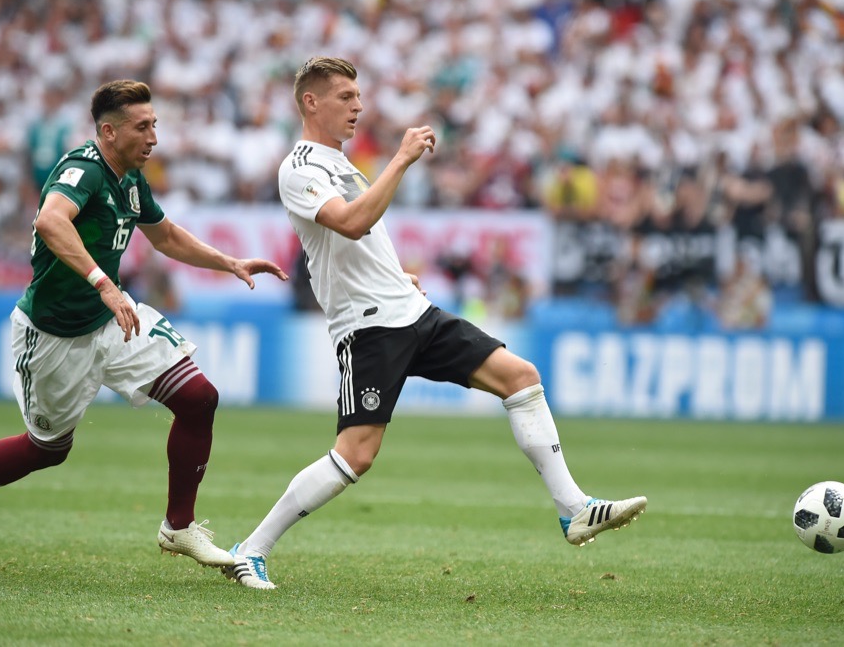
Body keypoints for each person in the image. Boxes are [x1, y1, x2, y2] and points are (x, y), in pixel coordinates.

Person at [223, 57, 646, 590]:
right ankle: (250, 549)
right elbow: (352, 224)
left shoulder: (340, 163)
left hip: (411, 311)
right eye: (345, 96)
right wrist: (400, 161)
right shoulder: (300, 167)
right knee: (357, 454)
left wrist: (397, 273)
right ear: (311, 102)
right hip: (369, 327)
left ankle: (574, 508)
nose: (358, 105)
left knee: (521, 378)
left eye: (358, 95)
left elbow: (362, 241)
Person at [0, 80, 288, 568]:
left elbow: (166, 236)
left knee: (199, 398)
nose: (154, 136)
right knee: (46, 449)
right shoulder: (82, 169)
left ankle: (178, 527)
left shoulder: (132, 178)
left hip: (112, 321)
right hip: (53, 333)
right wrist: (103, 282)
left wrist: (230, 262)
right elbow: (51, 222)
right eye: (143, 126)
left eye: (155, 124)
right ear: (109, 132)